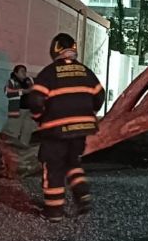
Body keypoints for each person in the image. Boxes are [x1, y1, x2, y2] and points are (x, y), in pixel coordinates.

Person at [26, 33, 104, 222]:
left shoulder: (49, 73)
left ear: (54, 50)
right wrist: (87, 113)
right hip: (81, 129)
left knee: (53, 166)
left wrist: (39, 118)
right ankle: (82, 194)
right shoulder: (86, 71)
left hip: (56, 129)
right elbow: (99, 96)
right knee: (72, 162)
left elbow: (35, 100)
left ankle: (53, 211)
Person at [2, 64, 35, 147]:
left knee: (27, 129)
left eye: (25, 71)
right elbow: (7, 92)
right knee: (13, 129)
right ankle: (9, 147)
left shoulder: (29, 80)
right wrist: (23, 91)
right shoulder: (12, 81)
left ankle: (23, 145)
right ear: (16, 73)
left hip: (29, 110)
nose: (24, 73)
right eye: (22, 71)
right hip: (17, 109)